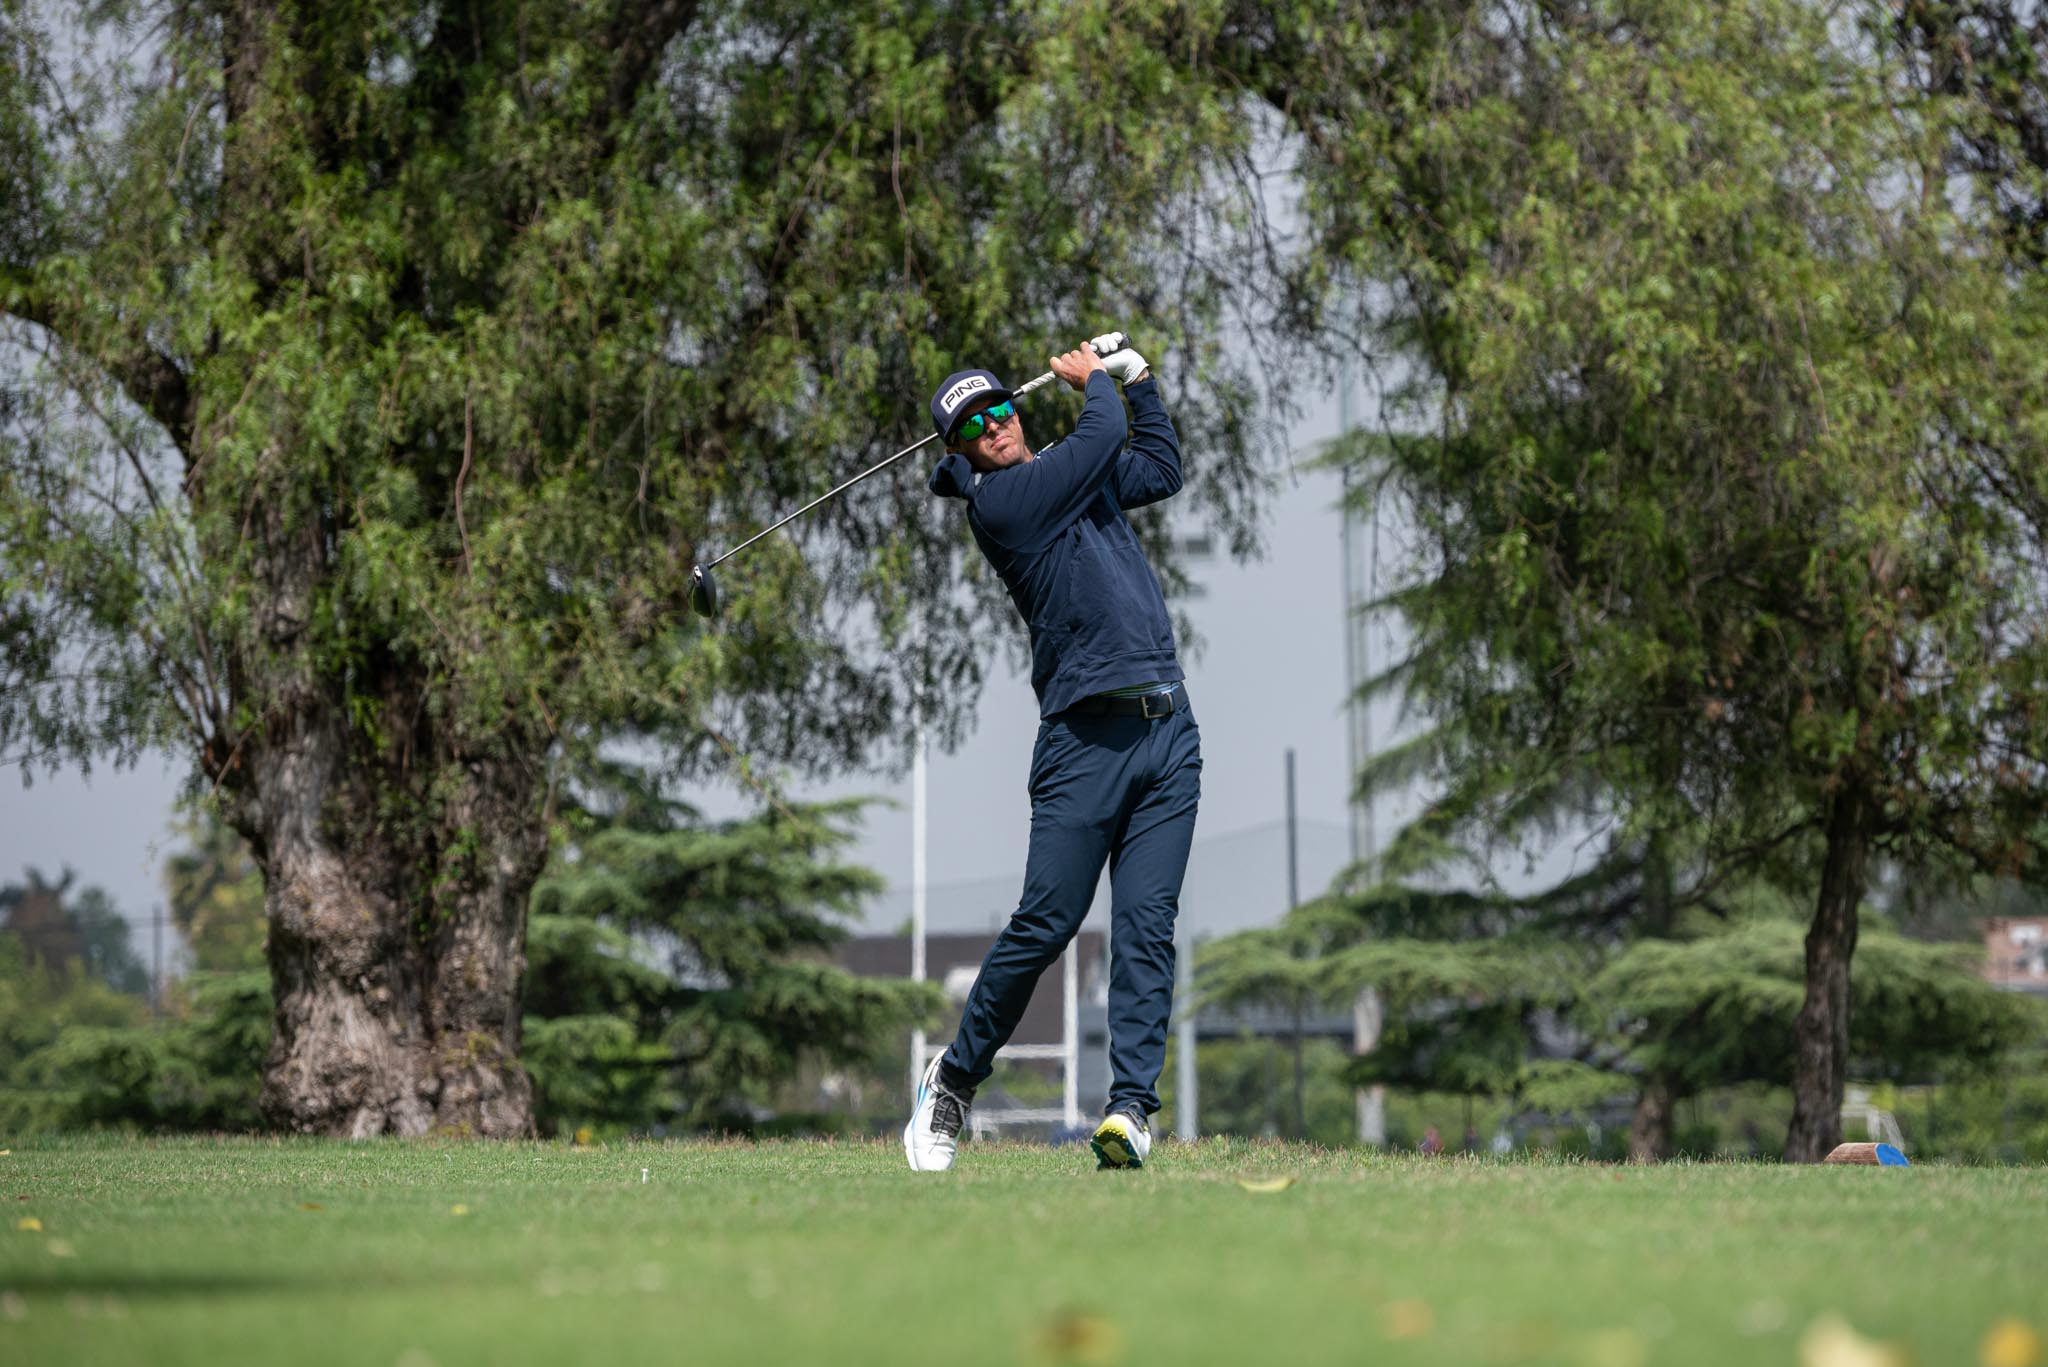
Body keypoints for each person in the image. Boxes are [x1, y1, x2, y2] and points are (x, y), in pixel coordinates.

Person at [903, 333, 1199, 1173]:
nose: (993, 426)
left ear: (1015, 408)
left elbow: (1159, 468)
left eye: (998, 408)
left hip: (1168, 731)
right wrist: (1096, 380)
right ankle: (954, 1079)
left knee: (1147, 927)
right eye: (972, 426)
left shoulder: (1070, 473)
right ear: (962, 450)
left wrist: (1140, 382)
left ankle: (1130, 1111)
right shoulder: (1004, 504)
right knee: (1047, 922)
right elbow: (1100, 437)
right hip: (1083, 743)